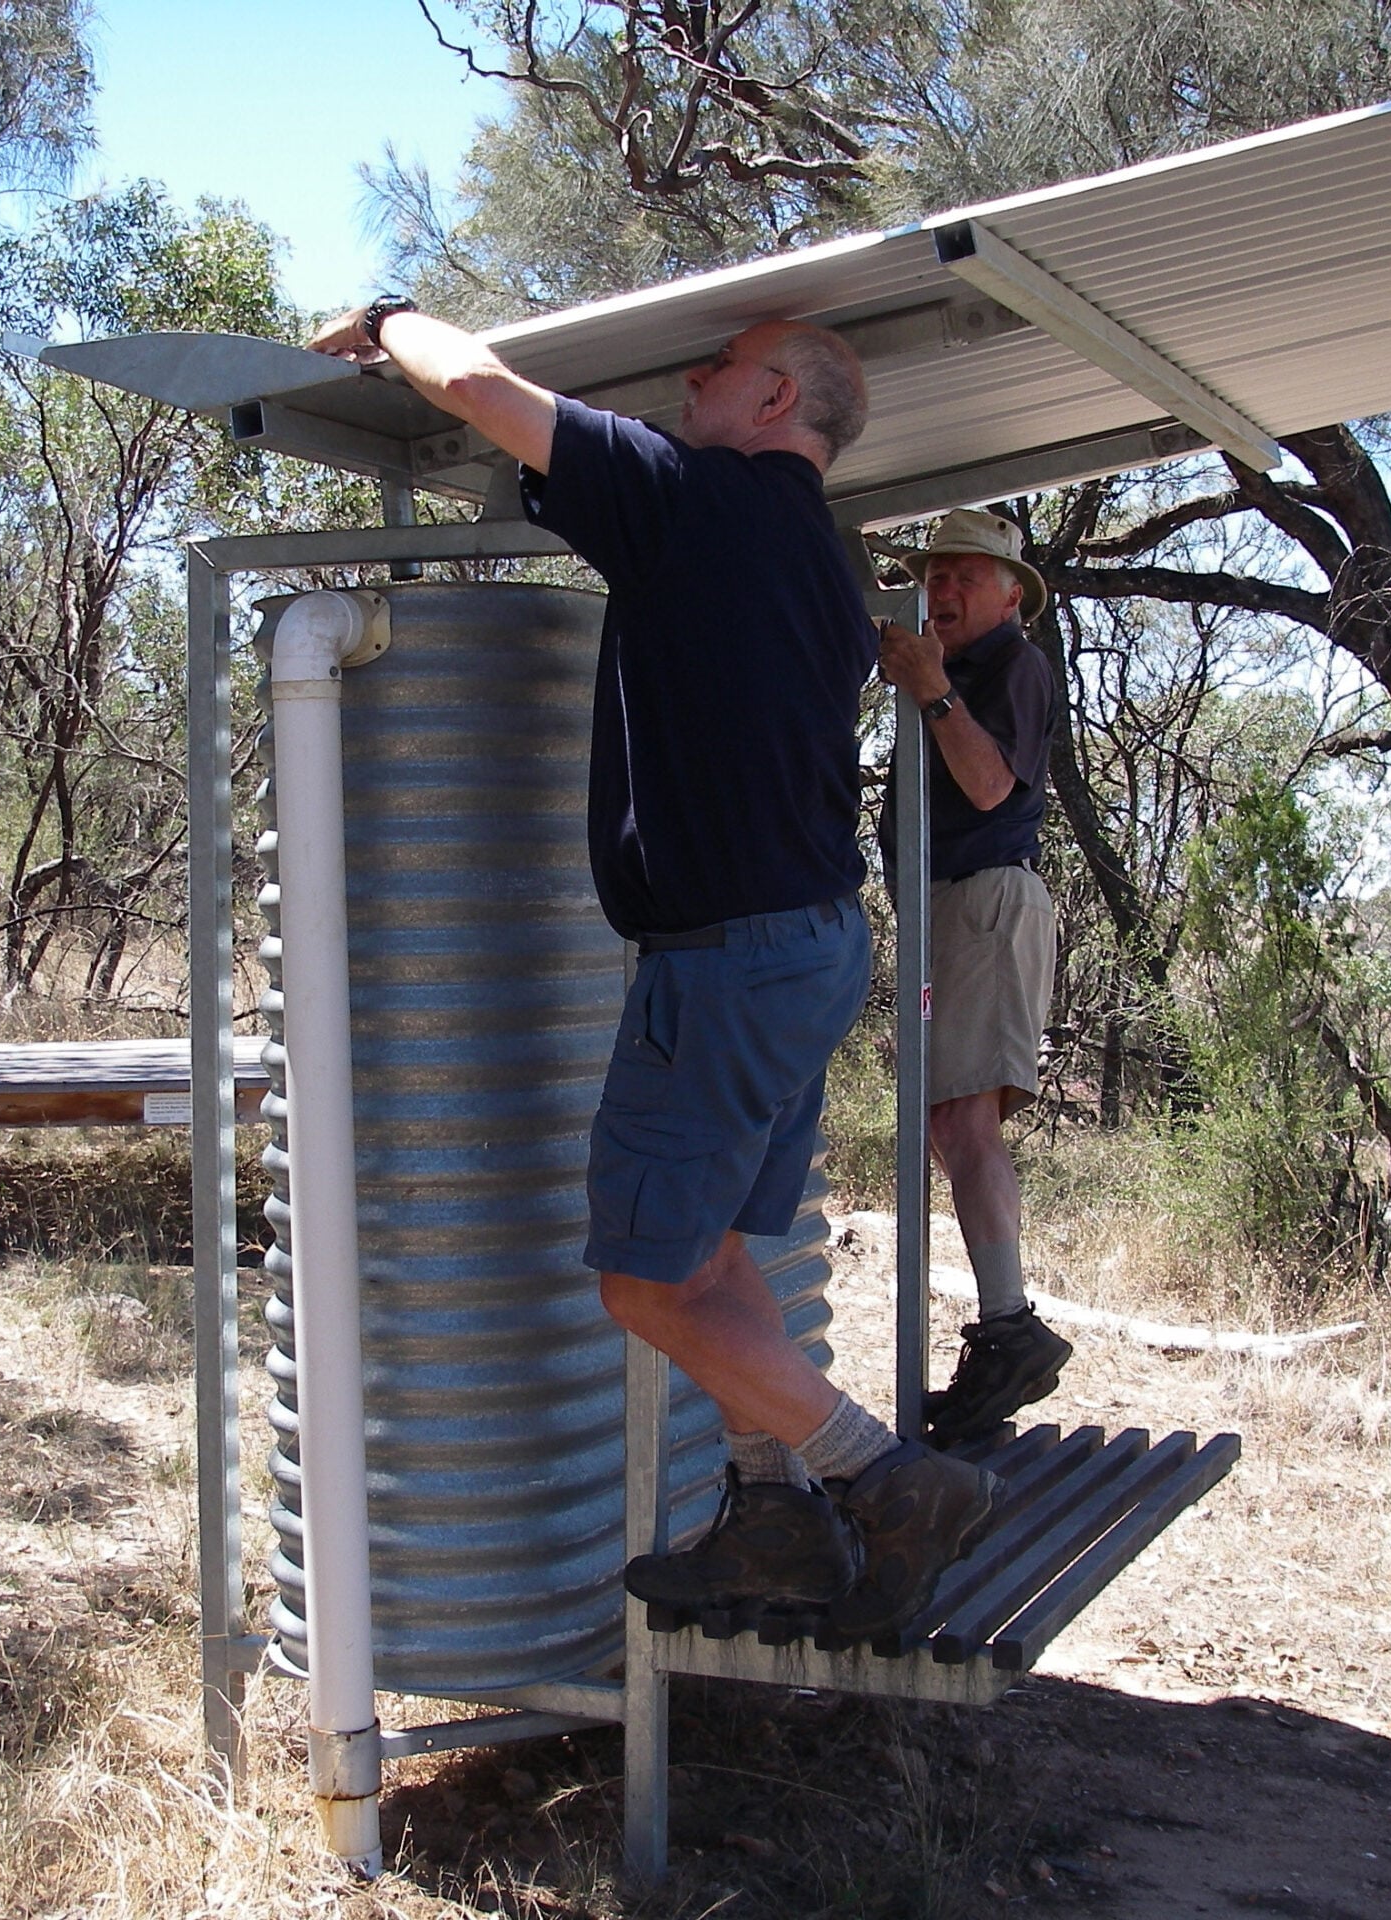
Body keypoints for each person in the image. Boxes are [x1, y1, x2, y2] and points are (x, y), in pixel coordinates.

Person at [309, 297, 1001, 1638]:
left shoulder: (698, 500)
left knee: (641, 1283)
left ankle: (886, 1480)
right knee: (719, 1257)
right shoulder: (812, 550)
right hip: (800, 946)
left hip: (728, 961)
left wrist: (390, 314)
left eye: (721, 365)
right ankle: (774, 1512)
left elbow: (474, 383)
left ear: (777, 405)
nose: (693, 375)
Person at [874, 510, 1075, 1445]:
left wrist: (931, 690)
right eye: (935, 576)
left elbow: (992, 788)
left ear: (1008, 596)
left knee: (961, 1118)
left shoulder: (1012, 669)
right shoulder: (956, 668)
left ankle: (1008, 1328)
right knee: (944, 1123)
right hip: (946, 907)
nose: (944, 592)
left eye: (965, 577)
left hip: (986, 900)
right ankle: (1003, 1330)